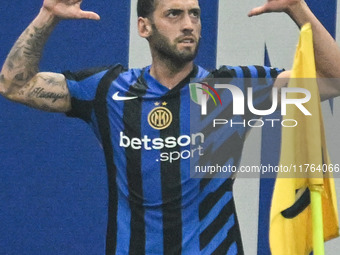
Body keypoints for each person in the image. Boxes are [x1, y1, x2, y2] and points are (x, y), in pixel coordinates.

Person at [1, 0, 340, 254]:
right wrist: (47, 16)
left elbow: (333, 80)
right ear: (144, 27)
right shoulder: (108, 89)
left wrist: (298, 8)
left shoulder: (230, 89)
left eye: (194, 14)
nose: (189, 24)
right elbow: (15, 85)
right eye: (174, 14)